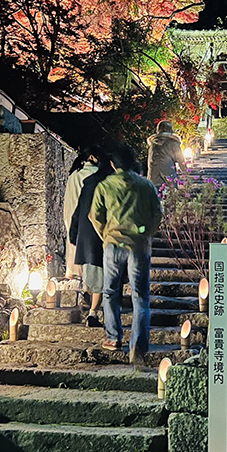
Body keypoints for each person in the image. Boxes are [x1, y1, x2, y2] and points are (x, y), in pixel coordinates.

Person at [90, 144, 162, 367]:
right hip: (139, 246)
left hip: (113, 244)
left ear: (113, 164)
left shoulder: (105, 186)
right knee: (140, 295)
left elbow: (95, 216)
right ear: (132, 162)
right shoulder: (146, 185)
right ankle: (138, 346)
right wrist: (145, 233)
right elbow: (157, 214)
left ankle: (113, 337)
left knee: (110, 291)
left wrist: (106, 235)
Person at [69, 147, 113, 322]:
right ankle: (94, 312)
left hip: (87, 237)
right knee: (101, 277)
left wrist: (74, 234)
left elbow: (78, 210)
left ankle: (92, 307)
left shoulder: (88, 182)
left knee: (93, 275)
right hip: (104, 236)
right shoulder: (112, 184)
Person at [63, 147, 98, 279]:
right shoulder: (96, 174)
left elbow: (68, 200)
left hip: (71, 215)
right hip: (86, 217)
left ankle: (71, 272)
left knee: (73, 247)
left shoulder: (73, 175)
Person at [146, 120, 185, 187]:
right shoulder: (173, 143)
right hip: (168, 177)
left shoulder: (153, 143)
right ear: (171, 130)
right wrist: (186, 173)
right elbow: (181, 160)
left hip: (153, 177)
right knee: (170, 195)